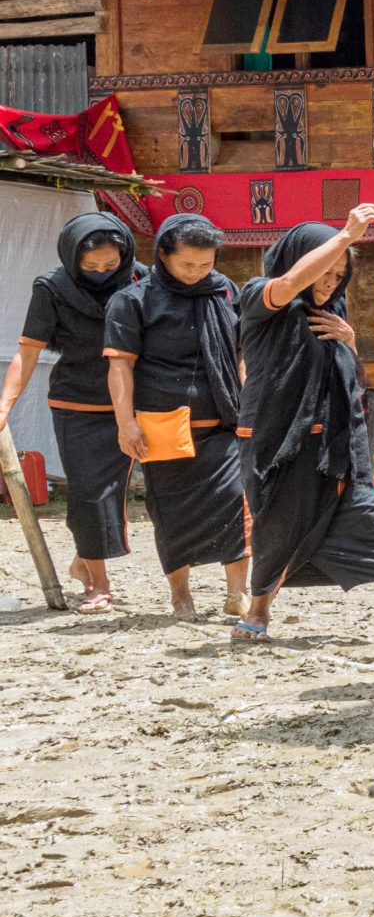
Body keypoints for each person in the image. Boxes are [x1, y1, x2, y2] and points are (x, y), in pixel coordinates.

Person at [233, 211, 374, 642]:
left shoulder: (334, 315)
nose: (329, 282)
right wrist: (346, 235)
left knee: (367, 518)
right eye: (324, 271)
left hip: (336, 446)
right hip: (278, 445)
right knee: (278, 527)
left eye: (339, 274)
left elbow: (353, 383)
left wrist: (348, 341)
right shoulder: (261, 298)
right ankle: (257, 612)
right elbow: (289, 285)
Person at [103, 216, 249, 619]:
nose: (197, 273)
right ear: (162, 254)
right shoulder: (133, 300)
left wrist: (249, 401)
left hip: (223, 424)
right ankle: (181, 596)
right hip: (162, 427)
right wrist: (125, 422)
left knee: (237, 505)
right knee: (171, 515)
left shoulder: (223, 291)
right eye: (188, 265)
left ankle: (237, 592)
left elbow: (239, 354)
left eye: (205, 264)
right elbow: (120, 366)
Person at [2, 214, 144, 611]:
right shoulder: (53, 289)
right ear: (71, 258)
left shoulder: (141, 280)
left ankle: (84, 562)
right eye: (91, 266)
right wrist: (4, 405)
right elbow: (28, 351)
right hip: (76, 404)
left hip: (129, 406)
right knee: (88, 492)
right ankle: (99, 585)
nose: (102, 273)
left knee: (111, 493)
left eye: (110, 265)